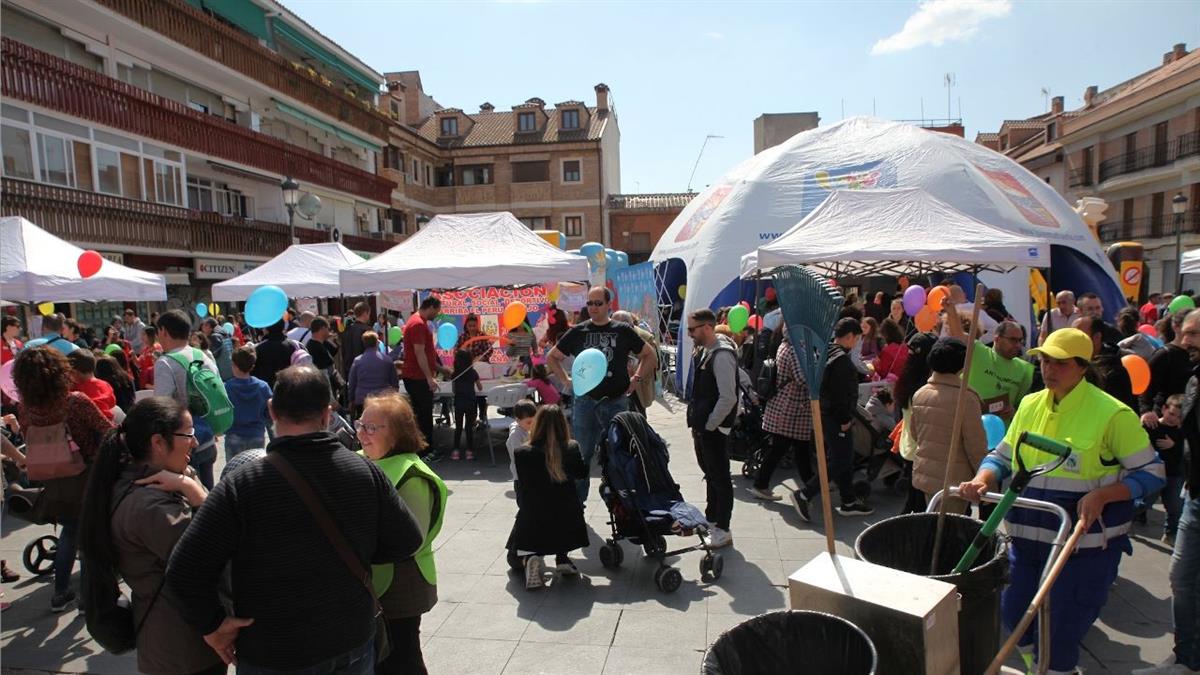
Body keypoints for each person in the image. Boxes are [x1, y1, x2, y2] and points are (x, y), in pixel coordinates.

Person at [165, 366, 423, 674]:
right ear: (327, 414)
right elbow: (408, 540)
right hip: (349, 637)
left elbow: (184, 570)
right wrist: (358, 548)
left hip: (274, 647)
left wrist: (213, 626)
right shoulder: (365, 472)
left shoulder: (242, 484)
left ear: (272, 410)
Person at [960, 328, 1165, 675]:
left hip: (1082, 549)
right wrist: (982, 479)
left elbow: (1152, 473)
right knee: (1013, 613)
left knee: (1058, 639)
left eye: (1060, 363)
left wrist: (1103, 494)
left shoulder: (1113, 414)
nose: (1048, 369)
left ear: (1082, 366)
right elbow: (1002, 455)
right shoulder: (1029, 403)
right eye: (1043, 360)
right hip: (1025, 544)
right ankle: (1035, 666)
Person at [77, 396, 224, 675]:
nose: (194, 442)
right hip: (183, 645)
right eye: (189, 434)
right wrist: (195, 493)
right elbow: (212, 557)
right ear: (158, 442)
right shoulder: (150, 507)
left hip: (168, 637)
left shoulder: (139, 482)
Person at [14, 346, 112, 611]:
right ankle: (87, 599)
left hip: (52, 480)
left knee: (70, 531)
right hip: (87, 476)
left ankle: (60, 593)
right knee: (91, 538)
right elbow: (108, 432)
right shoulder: (75, 401)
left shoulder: (25, 410)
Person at [356, 392, 447, 675]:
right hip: (369, 579)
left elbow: (410, 540)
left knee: (401, 657)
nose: (362, 434)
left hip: (401, 582)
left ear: (396, 435)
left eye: (372, 428)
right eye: (361, 425)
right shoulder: (359, 460)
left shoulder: (412, 475)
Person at [546, 286, 654, 503]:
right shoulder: (579, 331)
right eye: (590, 303)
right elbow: (552, 357)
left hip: (616, 401)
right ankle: (578, 504)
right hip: (586, 402)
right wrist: (566, 380)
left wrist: (637, 379)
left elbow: (649, 355)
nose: (593, 307)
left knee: (619, 454)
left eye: (598, 303)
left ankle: (623, 504)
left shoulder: (622, 330)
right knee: (582, 454)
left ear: (608, 305)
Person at [1141, 311, 1200, 675]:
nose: (1186, 340)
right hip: (1195, 493)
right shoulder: (1187, 371)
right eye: (1185, 332)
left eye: (1194, 334)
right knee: (1181, 575)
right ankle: (1186, 658)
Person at [792, 318, 873, 520]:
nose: (856, 343)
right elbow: (840, 395)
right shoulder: (841, 361)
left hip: (826, 414)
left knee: (842, 458)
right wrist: (845, 419)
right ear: (850, 337)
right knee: (840, 460)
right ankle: (805, 494)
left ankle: (848, 500)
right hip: (836, 417)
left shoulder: (826, 351)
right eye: (857, 339)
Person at [506, 404, 588, 589]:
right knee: (562, 510)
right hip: (566, 513)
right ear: (562, 424)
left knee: (532, 518)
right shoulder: (571, 447)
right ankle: (562, 558)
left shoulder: (522, 453)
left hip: (535, 514)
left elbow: (523, 484)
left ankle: (531, 559)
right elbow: (582, 473)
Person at [908, 339, 988, 512]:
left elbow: (914, 433)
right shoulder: (966, 398)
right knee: (948, 531)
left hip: (926, 474)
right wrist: (987, 480)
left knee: (931, 526)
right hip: (954, 479)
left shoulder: (920, 394)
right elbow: (976, 446)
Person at [684, 309, 739, 547]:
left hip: (713, 429)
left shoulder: (721, 354)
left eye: (692, 329)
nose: (689, 334)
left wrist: (711, 424)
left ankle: (723, 528)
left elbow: (728, 397)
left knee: (720, 478)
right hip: (704, 426)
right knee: (711, 474)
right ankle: (713, 520)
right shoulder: (705, 351)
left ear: (707, 327)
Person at [155, 310, 220, 490]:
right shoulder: (203, 356)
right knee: (208, 494)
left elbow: (161, 407)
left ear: (164, 331)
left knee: (192, 499)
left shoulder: (166, 362)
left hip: (184, 445)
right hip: (208, 436)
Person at [943, 305, 1033, 425]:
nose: (1017, 345)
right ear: (997, 339)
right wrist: (951, 311)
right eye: (1012, 340)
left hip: (1001, 436)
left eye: (1020, 340)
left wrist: (1014, 411)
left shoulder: (1025, 369)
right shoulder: (979, 351)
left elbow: (1024, 407)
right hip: (968, 428)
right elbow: (958, 335)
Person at [754, 324, 813, 503]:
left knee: (798, 448)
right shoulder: (794, 349)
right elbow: (802, 379)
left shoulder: (784, 345)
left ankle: (812, 485)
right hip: (790, 408)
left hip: (785, 406)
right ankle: (761, 484)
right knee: (782, 449)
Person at [894, 332, 939, 513]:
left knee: (913, 502)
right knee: (919, 504)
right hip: (921, 450)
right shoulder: (924, 387)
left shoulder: (905, 379)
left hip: (908, 447)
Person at [402, 297, 449, 449]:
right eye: (436, 311)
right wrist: (429, 378)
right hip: (417, 377)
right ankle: (426, 450)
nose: (436, 315)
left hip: (417, 376)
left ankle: (422, 448)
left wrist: (441, 370)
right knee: (424, 416)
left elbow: (426, 355)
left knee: (422, 414)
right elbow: (419, 353)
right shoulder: (418, 324)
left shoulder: (417, 322)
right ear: (430, 307)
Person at [1142, 393, 1186, 545]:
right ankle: (1130, 521)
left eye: (1179, 417)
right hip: (1153, 473)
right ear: (1164, 408)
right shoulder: (1152, 426)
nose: (1174, 419)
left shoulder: (1182, 432)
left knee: (1175, 507)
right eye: (1172, 414)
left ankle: (1170, 534)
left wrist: (1174, 445)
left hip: (1173, 474)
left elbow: (1187, 452)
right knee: (1143, 502)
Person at [1142, 309, 1195, 429]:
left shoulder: (1195, 352)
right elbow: (1145, 385)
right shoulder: (1165, 354)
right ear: (1176, 327)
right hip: (1166, 418)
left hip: (1189, 419)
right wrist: (1145, 411)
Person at [1072, 315, 1137, 411]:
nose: (1072, 341)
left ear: (1097, 337)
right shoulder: (1069, 365)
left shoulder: (1114, 372)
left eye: (1078, 336)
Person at [223, 346, 272, 461]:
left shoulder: (227, 387)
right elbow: (269, 411)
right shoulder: (263, 386)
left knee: (233, 472)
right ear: (252, 366)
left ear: (234, 365)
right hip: (256, 434)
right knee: (255, 471)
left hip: (234, 433)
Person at [348, 332, 400, 416]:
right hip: (382, 399)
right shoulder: (387, 360)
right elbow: (394, 382)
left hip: (362, 399)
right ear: (377, 342)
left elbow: (352, 382)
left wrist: (351, 400)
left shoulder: (357, 361)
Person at [450, 348, 482, 461]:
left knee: (458, 427)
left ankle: (455, 451)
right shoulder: (473, 372)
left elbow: (454, 390)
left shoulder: (455, 373)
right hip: (471, 402)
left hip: (459, 402)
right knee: (469, 428)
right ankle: (469, 451)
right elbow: (480, 387)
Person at [68, 350, 118, 421]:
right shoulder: (105, 384)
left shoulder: (76, 389)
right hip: (109, 422)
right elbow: (112, 403)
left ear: (74, 372)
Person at [252, 320, 298, 390]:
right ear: (283, 328)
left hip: (267, 390)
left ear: (267, 329)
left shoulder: (259, 348)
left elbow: (255, 372)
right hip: (289, 388)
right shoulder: (292, 346)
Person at [506, 400, 538, 484]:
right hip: (520, 475)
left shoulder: (526, 428)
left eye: (534, 421)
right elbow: (519, 456)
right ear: (518, 420)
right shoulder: (515, 436)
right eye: (529, 422)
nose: (532, 425)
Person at [340, 302, 373, 379]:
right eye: (369, 314)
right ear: (365, 313)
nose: (369, 317)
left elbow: (343, 351)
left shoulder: (346, 330)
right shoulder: (368, 330)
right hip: (365, 370)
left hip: (349, 369)